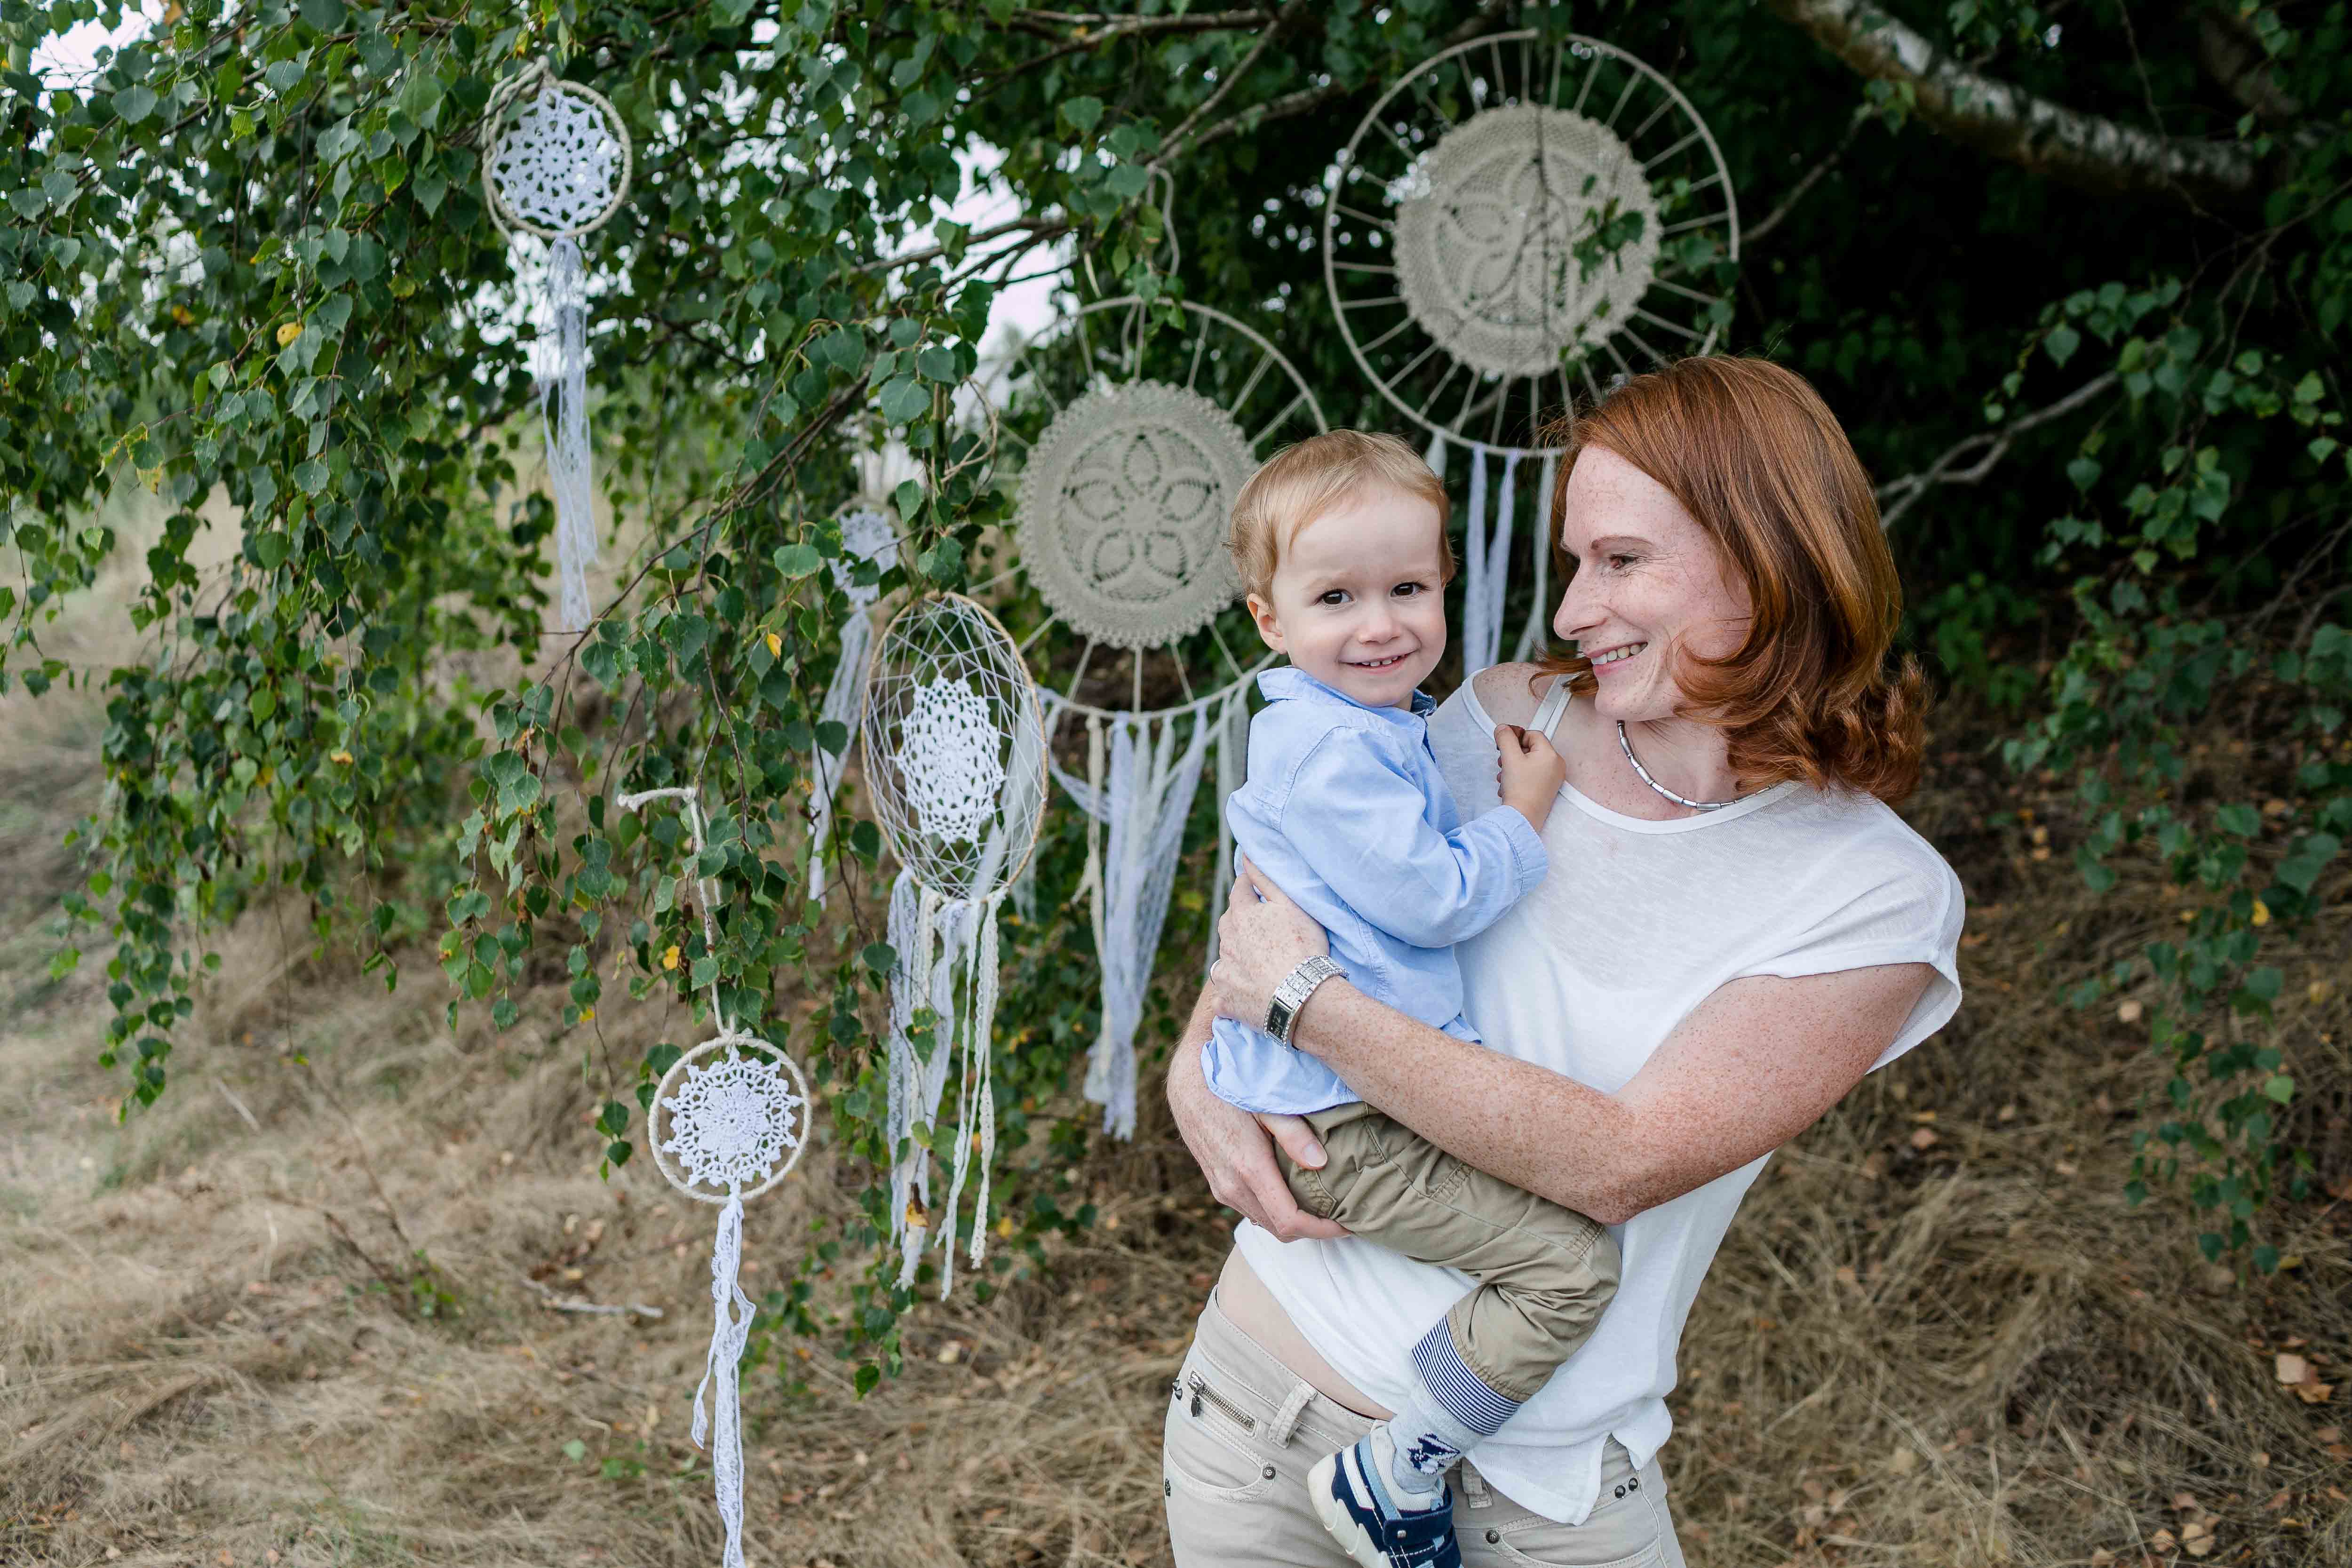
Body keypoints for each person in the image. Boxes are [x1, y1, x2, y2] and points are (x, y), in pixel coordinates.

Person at [1162, 357, 1966, 1568]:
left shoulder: (1870, 895)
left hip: (1546, 1493)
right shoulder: (1498, 720)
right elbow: (1299, 894)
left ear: (1765, 551)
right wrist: (1195, 1066)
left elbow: (1617, 1160)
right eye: (1575, 563)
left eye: (1621, 561)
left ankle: (1404, 1469)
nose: (1575, 611)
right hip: (1262, 1411)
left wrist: (1294, 1006)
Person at [1204, 431, 1623, 1568]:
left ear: (1445, 584)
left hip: (1353, 1085)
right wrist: (1523, 811)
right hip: (1342, 1117)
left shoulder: (1366, 724)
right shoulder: (1329, 751)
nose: (1380, 621)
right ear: (1268, 620)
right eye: (1336, 595)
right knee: (1570, 1266)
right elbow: (1433, 898)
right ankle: (1397, 1465)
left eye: (1408, 587)